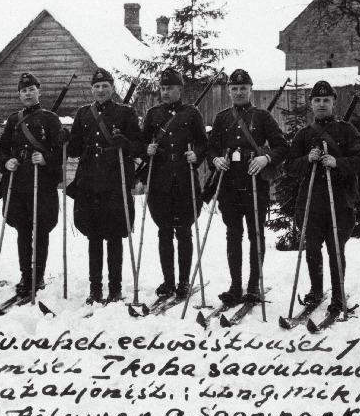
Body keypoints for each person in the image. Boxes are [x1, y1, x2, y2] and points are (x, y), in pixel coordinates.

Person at [206, 68, 289, 305]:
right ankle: (235, 286)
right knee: (233, 235)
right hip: (229, 185)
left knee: (256, 235)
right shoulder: (222, 118)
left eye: (243, 88)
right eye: (234, 88)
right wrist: (216, 159)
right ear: (229, 91)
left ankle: (253, 285)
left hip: (255, 184)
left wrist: (266, 158)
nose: (239, 92)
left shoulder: (262, 117)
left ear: (251, 89)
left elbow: (282, 146)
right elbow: (211, 148)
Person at [284, 80, 360, 313]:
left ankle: (338, 293)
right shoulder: (304, 135)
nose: (322, 104)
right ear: (311, 104)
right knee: (312, 248)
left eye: (326, 100)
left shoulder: (347, 131)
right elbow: (289, 166)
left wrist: (337, 163)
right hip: (311, 201)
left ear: (333, 103)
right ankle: (316, 290)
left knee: (336, 249)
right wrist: (306, 160)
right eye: (317, 100)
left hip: (340, 201)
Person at [67, 67, 143, 304]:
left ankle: (116, 288)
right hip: (89, 183)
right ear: (92, 89)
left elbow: (139, 148)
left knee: (114, 236)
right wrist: (64, 138)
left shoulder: (126, 113)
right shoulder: (83, 114)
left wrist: (126, 143)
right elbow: (74, 149)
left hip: (114, 182)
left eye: (105, 86)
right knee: (94, 236)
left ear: (112, 88)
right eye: (97, 87)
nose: (101, 90)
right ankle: (95, 289)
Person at [0, 72, 64, 298]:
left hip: (41, 184)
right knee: (23, 231)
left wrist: (46, 160)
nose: (27, 93)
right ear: (19, 94)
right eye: (23, 91)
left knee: (40, 230)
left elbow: (61, 151)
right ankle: (26, 274)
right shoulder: (14, 120)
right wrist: (7, 161)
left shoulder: (50, 119)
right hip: (19, 183)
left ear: (38, 92)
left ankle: (39, 275)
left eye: (31, 90)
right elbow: (2, 149)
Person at [141, 67, 208, 300]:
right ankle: (168, 281)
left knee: (184, 231)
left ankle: (183, 282)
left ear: (180, 89)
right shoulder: (153, 114)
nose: (165, 92)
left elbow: (203, 143)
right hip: (160, 180)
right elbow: (140, 143)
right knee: (164, 231)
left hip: (184, 178)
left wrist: (196, 155)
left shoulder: (192, 114)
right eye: (162, 88)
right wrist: (146, 149)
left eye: (170, 88)